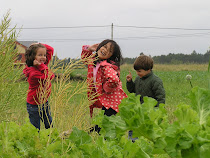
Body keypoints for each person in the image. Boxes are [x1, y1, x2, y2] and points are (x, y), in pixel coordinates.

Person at [81, 39, 127, 133]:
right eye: (105, 47)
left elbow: (114, 80)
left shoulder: (106, 66)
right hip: (108, 101)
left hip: (113, 102)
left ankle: (98, 139)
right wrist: (89, 49)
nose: (105, 50)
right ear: (100, 46)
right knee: (103, 125)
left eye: (110, 51)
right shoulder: (94, 61)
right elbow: (85, 59)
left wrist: (105, 88)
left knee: (103, 127)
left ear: (111, 56)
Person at [126, 55, 165, 142]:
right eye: (136, 71)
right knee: (134, 128)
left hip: (150, 113)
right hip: (138, 111)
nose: (137, 73)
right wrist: (129, 82)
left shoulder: (156, 81)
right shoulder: (138, 79)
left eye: (139, 71)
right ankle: (132, 144)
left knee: (148, 133)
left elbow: (161, 98)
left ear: (148, 69)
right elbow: (132, 90)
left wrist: (158, 112)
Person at [23, 43, 54, 130]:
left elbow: (50, 49)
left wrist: (38, 44)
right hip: (34, 105)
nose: (44, 57)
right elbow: (50, 76)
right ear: (33, 57)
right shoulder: (33, 72)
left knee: (49, 125)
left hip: (44, 102)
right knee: (35, 128)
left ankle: (50, 141)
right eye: (40, 55)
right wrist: (41, 65)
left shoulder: (42, 66)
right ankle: (36, 142)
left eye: (44, 55)